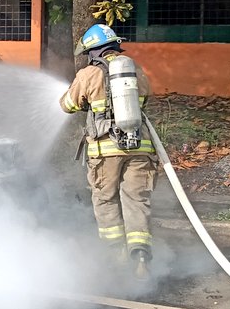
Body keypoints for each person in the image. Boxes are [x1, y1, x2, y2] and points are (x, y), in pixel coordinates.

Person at [59, 23, 157, 279]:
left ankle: (116, 255)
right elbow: (144, 100)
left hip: (105, 150)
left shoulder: (88, 74)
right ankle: (141, 256)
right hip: (140, 147)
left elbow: (68, 105)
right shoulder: (135, 69)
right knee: (137, 201)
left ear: (93, 51)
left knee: (105, 199)